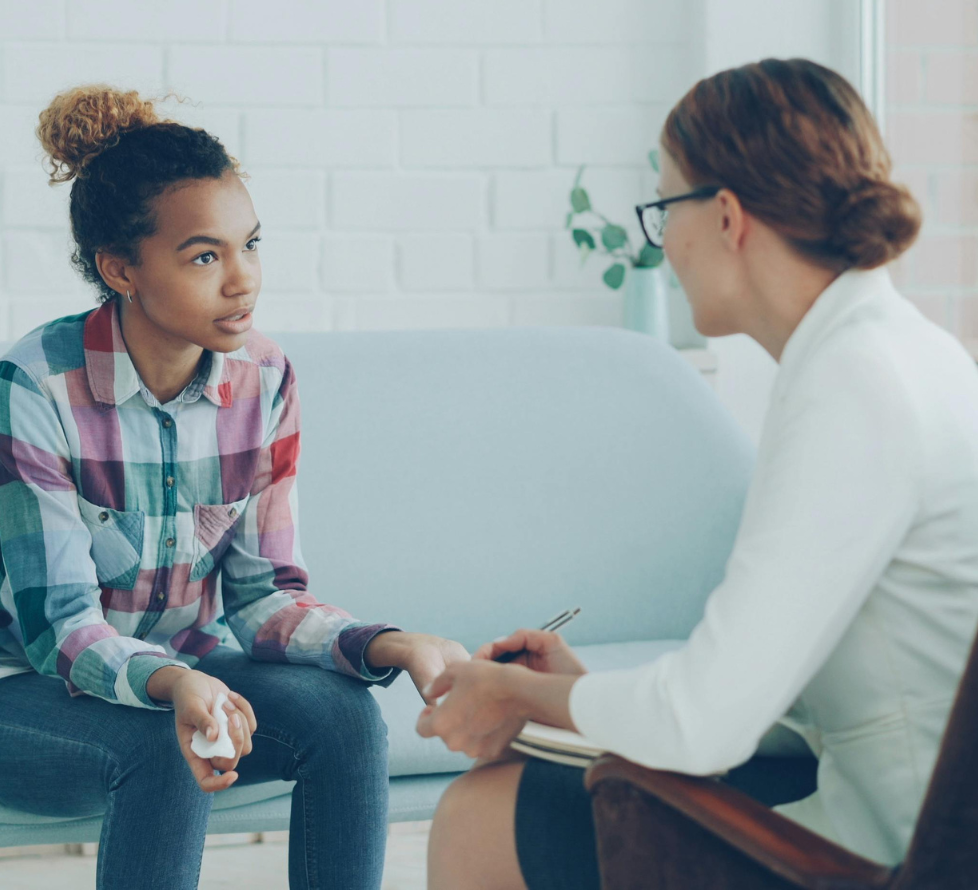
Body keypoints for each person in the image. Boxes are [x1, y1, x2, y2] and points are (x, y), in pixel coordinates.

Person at [417, 58, 978, 890]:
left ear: (726, 216)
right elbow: (789, 689)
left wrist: (521, 697)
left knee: (480, 816)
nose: (664, 243)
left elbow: (705, 726)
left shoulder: (852, 386)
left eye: (661, 207)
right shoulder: (902, 349)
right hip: (895, 805)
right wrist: (585, 692)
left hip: (883, 854)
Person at [0, 86, 468, 890]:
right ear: (120, 268)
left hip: (181, 676)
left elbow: (263, 599)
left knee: (346, 717)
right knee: (170, 732)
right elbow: (58, 630)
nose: (243, 281)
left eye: (251, 245)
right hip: (12, 696)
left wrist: (390, 646)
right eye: (205, 255)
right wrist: (178, 683)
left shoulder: (266, 379)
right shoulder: (38, 382)